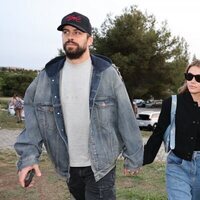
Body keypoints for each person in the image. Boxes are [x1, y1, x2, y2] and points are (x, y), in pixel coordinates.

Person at [14, 11, 143, 200]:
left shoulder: (107, 73)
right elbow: (33, 121)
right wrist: (27, 158)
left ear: (89, 40)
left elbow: (125, 115)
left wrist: (134, 156)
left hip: (101, 165)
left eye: (77, 32)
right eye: (66, 32)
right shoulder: (47, 76)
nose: (70, 37)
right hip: (67, 165)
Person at [143, 59, 200, 200]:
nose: (192, 81)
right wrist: (139, 159)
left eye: (198, 78)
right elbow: (158, 133)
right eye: (189, 76)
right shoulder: (172, 103)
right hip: (178, 165)